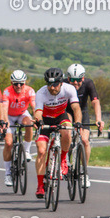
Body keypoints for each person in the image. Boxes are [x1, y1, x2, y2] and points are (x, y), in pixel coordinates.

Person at [33, 68, 82, 199]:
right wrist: (39, 120)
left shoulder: (69, 89)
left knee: (67, 132)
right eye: (49, 84)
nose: (52, 87)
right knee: (41, 151)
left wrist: (77, 122)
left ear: (61, 83)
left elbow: (76, 107)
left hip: (61, 116)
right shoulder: (41, 93)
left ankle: (63, 159)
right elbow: (38, 111)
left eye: (54, 84)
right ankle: (40, 185)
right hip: (46, 119)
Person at [67, 63, 104, 188]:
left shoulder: (88, 83)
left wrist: (99, 119)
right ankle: (65, 161)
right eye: (72, 80)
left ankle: (84, 172)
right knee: (67, 132)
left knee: (85, 140)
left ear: (83, 78)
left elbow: (95, 101)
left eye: (78, 81)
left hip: (82, 111)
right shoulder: (62, 83)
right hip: (67, 111)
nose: (76, 83)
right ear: (68, 79)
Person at [2, 70, 35, 187]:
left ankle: (26, 151)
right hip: (9, 116)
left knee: (29, 123)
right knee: (8, 142)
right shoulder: (7, 92)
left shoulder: (29, 91)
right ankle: (7, 174)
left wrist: (37, 118)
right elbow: (4, 109)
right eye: (16, 84)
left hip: (22, 113)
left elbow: (34, 106)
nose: (19, 86)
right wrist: (5, 122)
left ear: (25, 82)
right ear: (12, 83)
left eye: (21, 83)